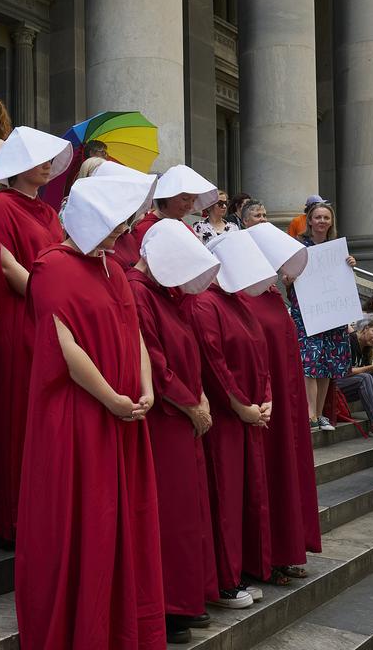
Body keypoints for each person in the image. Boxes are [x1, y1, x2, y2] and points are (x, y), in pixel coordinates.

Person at [17, 173, 165, 650]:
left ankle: (117, 629)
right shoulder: (50, 268)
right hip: (77, 418)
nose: (122, 233)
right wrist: (109, 396)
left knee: (119, 526)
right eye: (113, 224)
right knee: (85, 523)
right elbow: (63, 344)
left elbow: (134, 332)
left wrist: (145, 386)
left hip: (121, 415)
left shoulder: (114, 269)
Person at [0, 127, 72, 542]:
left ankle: (40, 510)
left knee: (41, 419)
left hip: (48, 319)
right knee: (14, 415)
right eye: (39, 157)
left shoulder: (50, 213)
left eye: (50, 157)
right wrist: (47, 296)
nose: (48, 163)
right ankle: (10, 516)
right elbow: (4, 263)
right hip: (17, 320)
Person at [129, 220, 221, 643]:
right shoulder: (139, 292)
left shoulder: (166, 296)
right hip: (163, 419)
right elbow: (152, 358)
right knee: (170, 515)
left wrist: (198, 398)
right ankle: (165, 606)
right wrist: (190, 402)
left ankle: (186, 597)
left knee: (187, 512)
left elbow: (187, 354)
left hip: (182, 415)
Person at [184, 232, 277, 602]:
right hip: (226, 418)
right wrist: (241, 405)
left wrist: (265, 399)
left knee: (246, 494)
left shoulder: (238, 302)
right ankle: (225, 579)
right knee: (225, 496)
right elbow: (213, 362)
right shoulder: (204, 304)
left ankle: (240, 569)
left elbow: (261, 355)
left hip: (249, 415)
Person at [240, 204, 323, 577]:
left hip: (286, 398)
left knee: (286, 474)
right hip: (263, 400)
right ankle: (266, 556)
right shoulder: (243, 295)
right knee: (267, 476)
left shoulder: (273, 294)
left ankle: (286, 549)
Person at [285, 201, 357, 431]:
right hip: (307, 313)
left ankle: (319, 412)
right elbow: (287, 279)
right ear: (310, 220)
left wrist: (349, 267)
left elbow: (340, 283)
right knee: (309, 361)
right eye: (318, 217)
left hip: (332, 313)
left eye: (326, 217)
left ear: (331, 221)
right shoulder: (297, 246)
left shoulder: (336, 249)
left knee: (328, 363)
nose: (322, 221)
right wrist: (289, 279)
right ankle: (309, 414)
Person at [113, 164, 218, 267]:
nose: (190, 206)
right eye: (185, 199)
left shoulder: (186, 228)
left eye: (194, 200)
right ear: (168, 195)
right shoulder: (145, 228)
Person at [337, 320, 373, 421]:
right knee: (365, 378)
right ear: (366, 329)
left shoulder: (367, 348)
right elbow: (345, 372)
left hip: (350, 385)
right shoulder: (349, 340)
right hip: (335, 386)